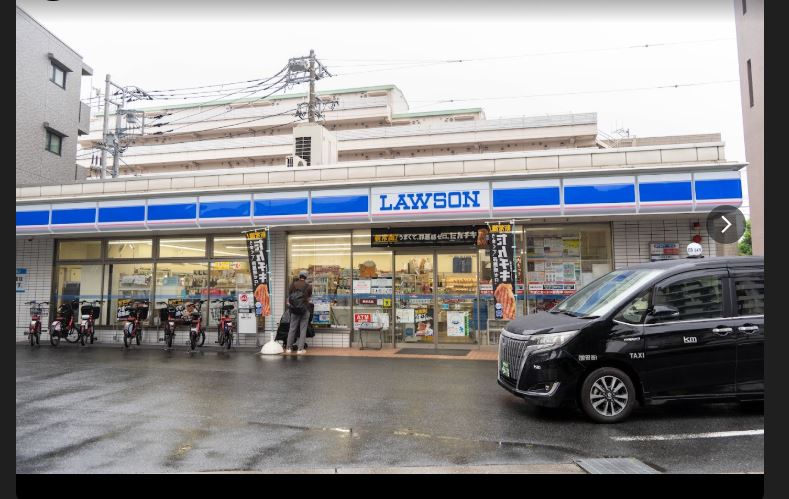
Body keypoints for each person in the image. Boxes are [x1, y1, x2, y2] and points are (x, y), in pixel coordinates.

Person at [286, 270, 313, 354]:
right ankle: (300, 349)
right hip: (305, 309)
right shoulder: (308, 286)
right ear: (306, 277)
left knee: (292, 328)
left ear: (299, 276)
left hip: (294, 309)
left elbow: (290, 296)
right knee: (303, 329)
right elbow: (309, 298)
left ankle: (288, 348)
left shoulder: (293, 284)